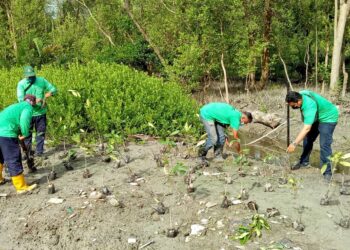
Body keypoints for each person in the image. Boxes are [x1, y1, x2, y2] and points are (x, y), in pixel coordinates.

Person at [285, 90, 339, 181]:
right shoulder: (300, 94)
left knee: (324, 145)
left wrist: (294, 144)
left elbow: (306, 128)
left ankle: (327, 172)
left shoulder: (309, 106)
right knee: (307, 139)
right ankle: (304, 162)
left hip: (328, 117)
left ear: (299, 101)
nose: (293, 107)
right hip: (317, 115)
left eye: (293, 105)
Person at [0, 95, 38, 194]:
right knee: (13, 158)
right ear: (33, 102)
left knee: (0, 157)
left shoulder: (16, 106)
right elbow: (24, 121)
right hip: (6, 133)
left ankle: (0, 179)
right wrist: (24, 134)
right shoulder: (27, 107)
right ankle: (21, 187)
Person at [17, 66, 57, 157]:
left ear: (34, 74)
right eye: (28, 76)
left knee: (41, 133)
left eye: (32, 76)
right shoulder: (21, 84)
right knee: (27, 134)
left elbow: (54, 89)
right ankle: (28, 153)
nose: (30, 78)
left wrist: (49, 93)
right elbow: (20, 100)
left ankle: (39, 153)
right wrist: (34, 102)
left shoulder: (42, 81)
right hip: (27, 114)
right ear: (25, 76)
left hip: (41, 113)